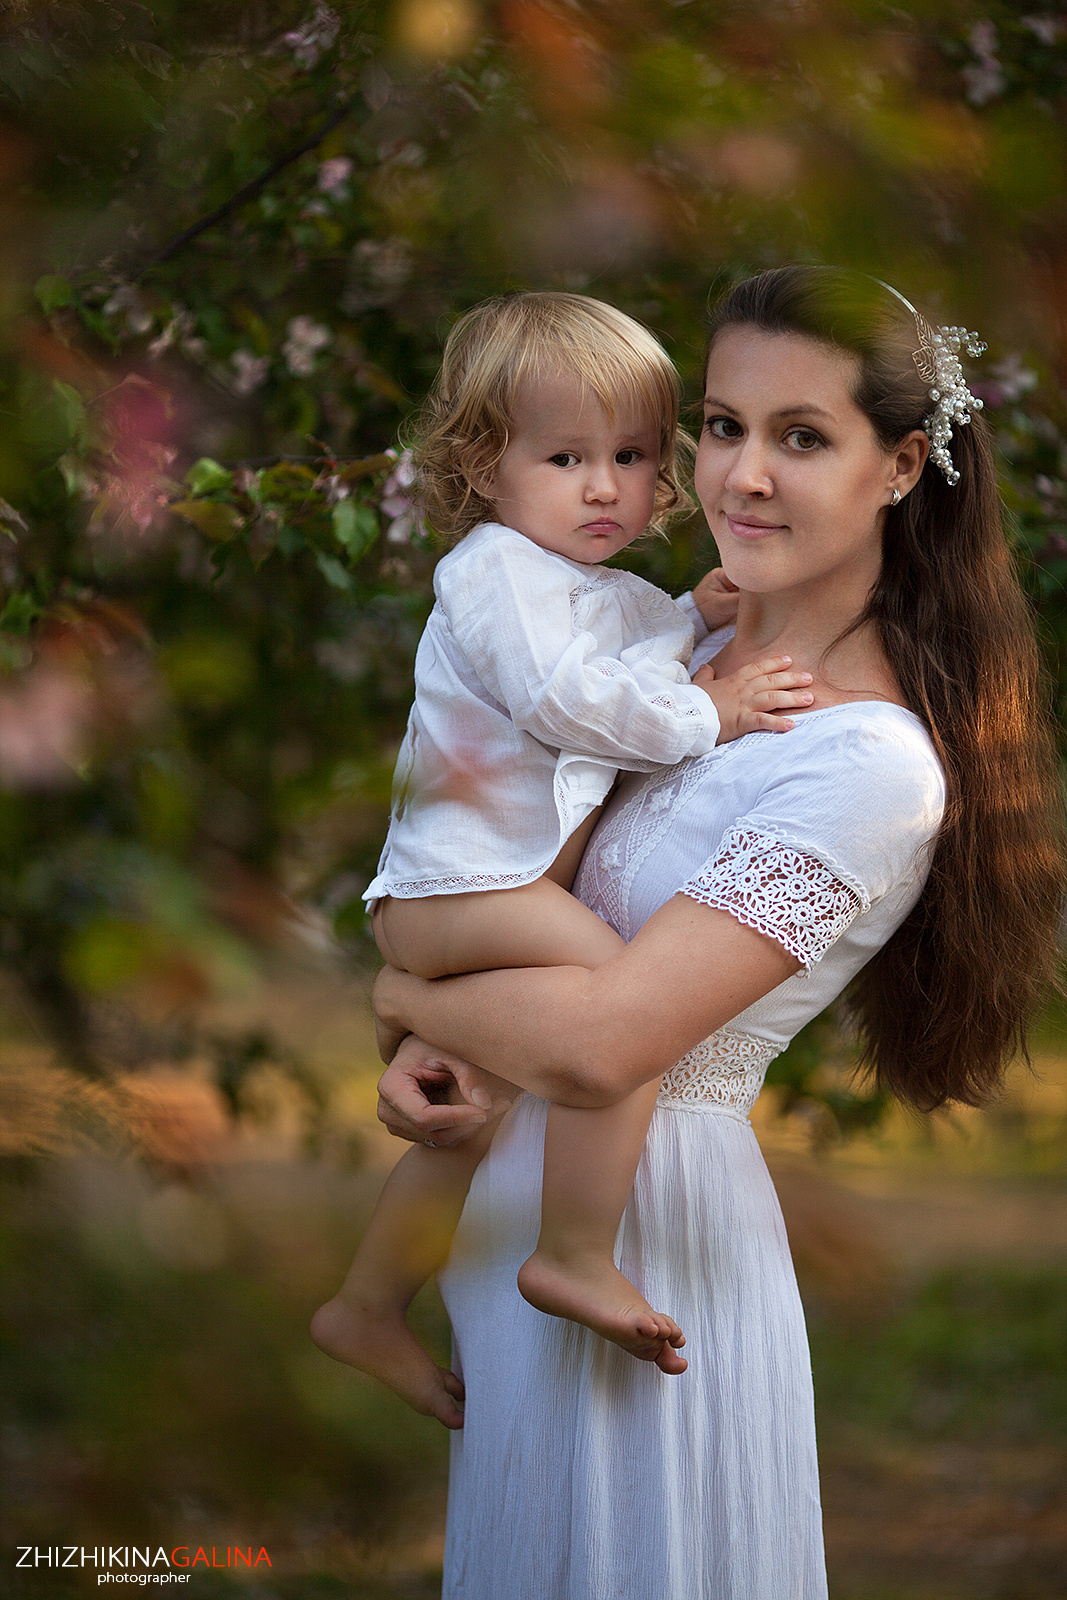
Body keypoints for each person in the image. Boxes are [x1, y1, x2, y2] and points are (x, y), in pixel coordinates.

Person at [372, 266, 1064, 1599]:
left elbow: (603, 1045)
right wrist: (418, 1042)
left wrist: (401, 987)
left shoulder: (867, 765)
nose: (741, 475)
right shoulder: (664, 670)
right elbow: (511, 900)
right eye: (720, 425)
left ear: (897, 466)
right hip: (500, 1226)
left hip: (654, 1239)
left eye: (799, 436)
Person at [311, 292, 814, 1420]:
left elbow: (630, 648)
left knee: (468, 1109)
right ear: (482, 466)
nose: (604, 488)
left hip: (490, 894)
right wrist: (711, 709)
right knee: (625, 1015)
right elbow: (565, 698)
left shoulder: (606, 591)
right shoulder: (491, 571)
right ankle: (573, 1254)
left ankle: (365, 1304)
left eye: (630, 457)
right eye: (565, 457)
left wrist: (691, 612)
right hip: (456, 889)